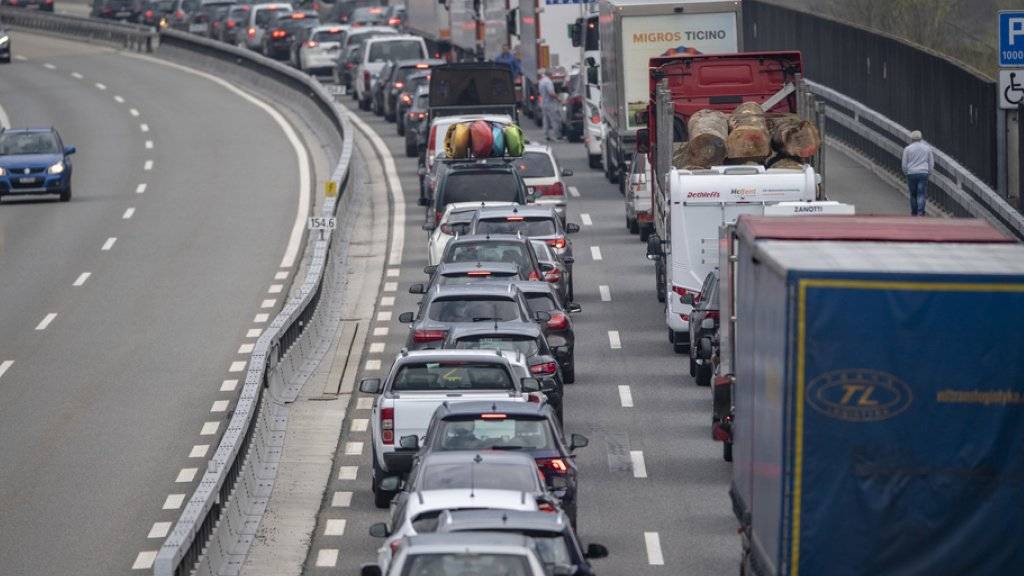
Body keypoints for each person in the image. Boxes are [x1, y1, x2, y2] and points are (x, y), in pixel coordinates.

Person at [901, 130, 934, 216]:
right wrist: (929, 172)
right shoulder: (927, 148)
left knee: (913, 194)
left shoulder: (907, 149)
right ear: (921, 138)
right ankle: (921, 211)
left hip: (911, 173)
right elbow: (931, 162)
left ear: (911, 139)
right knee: (921, 193)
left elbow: (904, 163)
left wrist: (906, 172)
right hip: (923, 172)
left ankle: (914, 212)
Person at [538, 68, 562, 142]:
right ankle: (557, 136)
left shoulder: (541, 81)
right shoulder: (548, 81)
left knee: (546, 120)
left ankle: (546, 136)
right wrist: (559, 99)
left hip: (543, 103)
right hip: (550, 103)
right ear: (550, 74)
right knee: (555, 119)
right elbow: (551, 93)